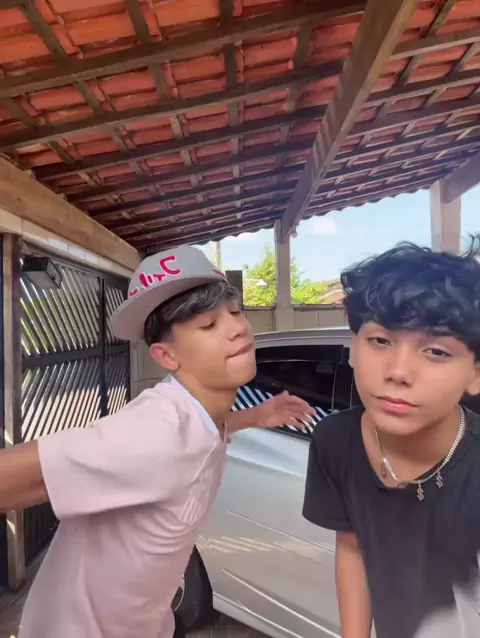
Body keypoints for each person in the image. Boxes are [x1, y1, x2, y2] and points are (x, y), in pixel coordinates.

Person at [0, 245, 313, 638]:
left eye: (235, 312)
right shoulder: (154, 432)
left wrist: (257, 416)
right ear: (166, 356)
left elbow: (201, 433)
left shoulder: (192, 412)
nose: (238, 328)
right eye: (208, 325)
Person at [303, 238, 480, 638]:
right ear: (353, 349)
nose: (398, 371)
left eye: (436, 351)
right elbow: (354, 548)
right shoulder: (336, 441)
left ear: (476, 374)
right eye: (380, 341)